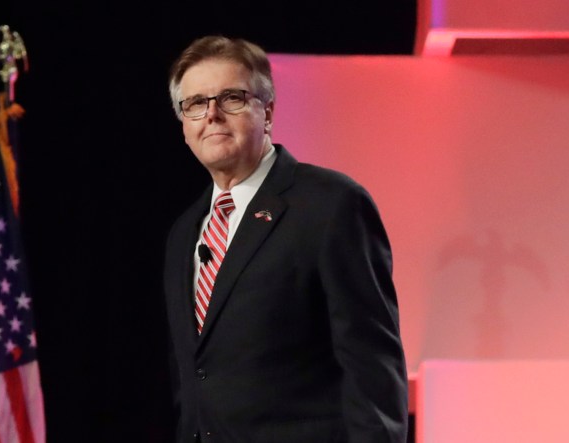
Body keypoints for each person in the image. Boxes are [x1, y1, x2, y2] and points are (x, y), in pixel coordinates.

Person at [162, 35, 408, 443]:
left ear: (268, 111)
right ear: (184, 124)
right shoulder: (184, 233)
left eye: (232, 98)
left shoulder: (330, 205)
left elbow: (372, 368)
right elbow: (191, 379)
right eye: (195, 104)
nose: (212, 115)